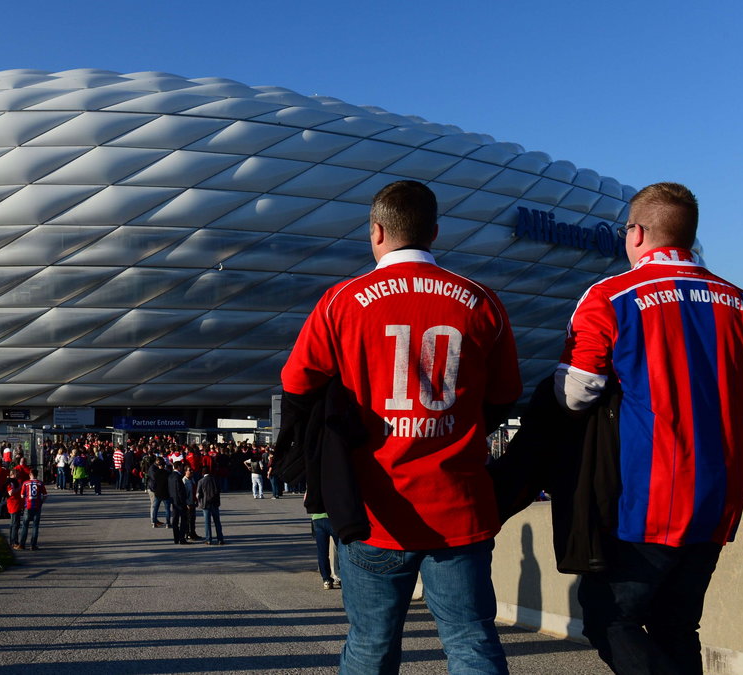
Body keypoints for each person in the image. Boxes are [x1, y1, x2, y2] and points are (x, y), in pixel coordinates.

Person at [281, 181, 522, 674]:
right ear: (433, 232)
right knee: (471, 641)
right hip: (460, 505)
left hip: (373, 510)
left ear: (376, 231)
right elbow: (503, 397)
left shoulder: (340, 301)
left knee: (371, 645)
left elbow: (296, 384)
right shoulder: (481, 302)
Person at [555, 183, 743, 675]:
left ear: (637, 233)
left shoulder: (611, 297)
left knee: (609, 618)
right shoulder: (741, 303)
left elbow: (578, 392)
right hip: (720, 497)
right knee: (678, 625)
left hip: (649, 499)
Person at [15, 468, 47, 550]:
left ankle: (22, 544)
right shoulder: (40, 483)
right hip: (37, 506)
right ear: (37, 475)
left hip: (28, 505)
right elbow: (45, 495)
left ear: (30, 474)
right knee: (35, 526)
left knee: (25, 525)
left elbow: (22, 495)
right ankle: (33, 545)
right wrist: (41, 502)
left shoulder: (26, 483)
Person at [311, 513, 341, 590]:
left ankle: (326, 579)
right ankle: (342, 576)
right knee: (341, 550)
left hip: (317, 518)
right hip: (334, 517)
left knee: (322, 552)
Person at [196, 467, 224, 545]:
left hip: (205, 504)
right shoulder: (215, 480)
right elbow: (219, 490)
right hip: (215, 503)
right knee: (217, 522)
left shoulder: (201, 481)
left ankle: (208, 539)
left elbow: (198, 494)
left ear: (202, 473)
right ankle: (220, 538)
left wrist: (199, 501)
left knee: (207, 522)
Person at [167, 461, 190, 545]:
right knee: (184, 520)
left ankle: (176, 538)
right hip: (180, 501)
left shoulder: (170, 476)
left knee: (175, 520)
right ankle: (182, 538)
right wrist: (184, 501)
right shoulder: (178, 477)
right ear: (179, 467)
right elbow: (180, 490)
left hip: (173, 501)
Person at [147, 456, 171, 528]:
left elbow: (154, 480)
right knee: (167, 509)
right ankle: (167, 523)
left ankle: (154, 522)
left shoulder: (156, 473)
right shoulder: (167, 473)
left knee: (155, 508)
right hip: (165, 493)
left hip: (157, 492)